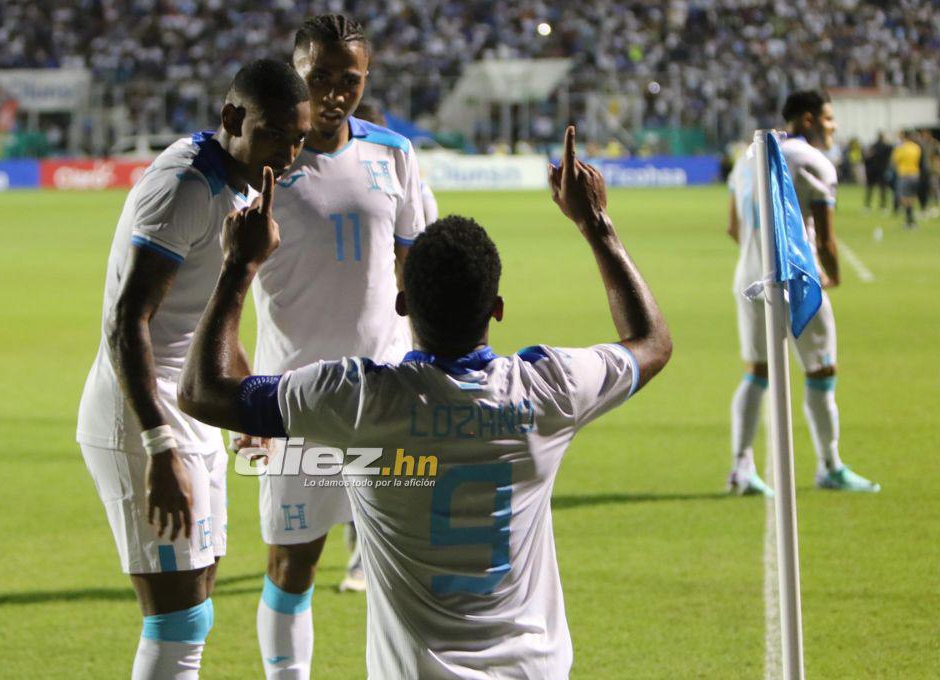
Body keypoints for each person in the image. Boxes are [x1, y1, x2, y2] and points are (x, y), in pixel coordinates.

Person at [178, 124, 671, 679]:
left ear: (404, 304)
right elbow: (651, 343)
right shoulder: (549, 387)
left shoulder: (360, 399)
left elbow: (202, 391)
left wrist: (238, 267)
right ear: (497, 309)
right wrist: (596, 225)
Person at [74, 60, 310, 679]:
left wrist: (244, 400)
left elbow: (207, 315)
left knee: (196, 602)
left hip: (193, 405)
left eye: (300, 139)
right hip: (140, 413)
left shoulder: (245, 183)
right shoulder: (186, 187)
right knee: (177, 621)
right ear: (232, 119)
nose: (289, 153)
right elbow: (129, 322)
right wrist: (158, 445)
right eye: (277, 135)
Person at [237, 15, 425, 679]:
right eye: (320, 79)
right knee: (293, 565)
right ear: (297, 75)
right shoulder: (265, 167)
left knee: (401, 566)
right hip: (295, 402)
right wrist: (242, 402)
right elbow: (226, 289)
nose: (336, 93)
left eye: (351, 80)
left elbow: (417, 270)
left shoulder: (394, 154)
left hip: (388, 395)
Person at [726, 90, 880, 495]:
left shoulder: (748, 156)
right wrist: (834, 276)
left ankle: (741, 468)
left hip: (748, 278)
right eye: (829, 119)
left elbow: (732, 228)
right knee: (821, 370)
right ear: (808, 119)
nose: (834, 127)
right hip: (796, 280)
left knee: (756, 373)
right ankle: (830, 465)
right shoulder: (814, 162)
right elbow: (826, 241)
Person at [891, 129, 922, 228]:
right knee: (912, 197)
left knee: (904, 197)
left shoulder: (901, 147)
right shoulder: (916, 147)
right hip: (915, 174)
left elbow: (895, 160)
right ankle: (911, 220)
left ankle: (909, 220)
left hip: (904, 174)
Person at [863, 132, 892, 210]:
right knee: (882, 189)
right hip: (882, 171)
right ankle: (883, 206)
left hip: (872, 171)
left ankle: (867, 205)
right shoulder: (886, 147)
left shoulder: (873, 146)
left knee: (870, 189)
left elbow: (867, 159)